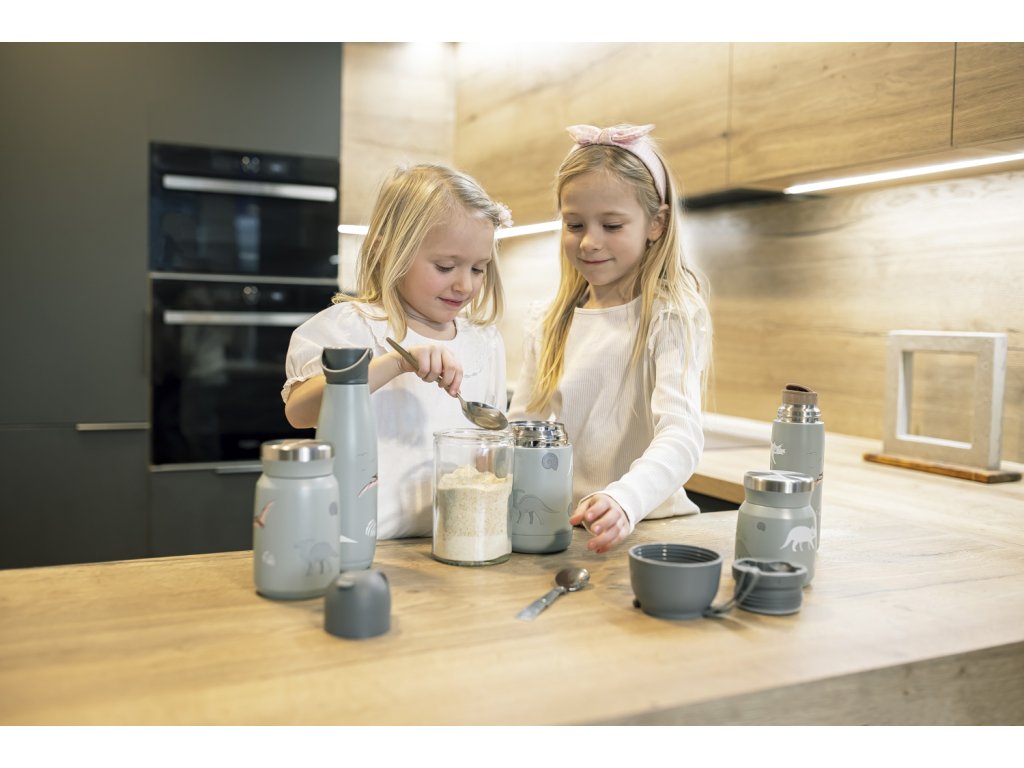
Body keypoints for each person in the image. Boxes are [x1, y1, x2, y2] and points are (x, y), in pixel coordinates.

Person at [507, 124, 712, 554]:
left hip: (652, 532)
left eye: (612, 225)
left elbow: (681, 436)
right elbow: (521, 429)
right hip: (569, 531)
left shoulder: (670, 315)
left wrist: (624, 499)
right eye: (574, 224)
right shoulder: (550, 320)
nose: (589, 242)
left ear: (656, 223)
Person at [282, 163, 512, 539]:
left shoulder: (484, 342)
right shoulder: (349, 327)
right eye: (445, 266)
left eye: (478, 269)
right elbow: (299, 412)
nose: (464, 285)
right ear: (387, 250)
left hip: (453, 542)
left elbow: (491, 447)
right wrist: (393, 364)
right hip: (354, 544)